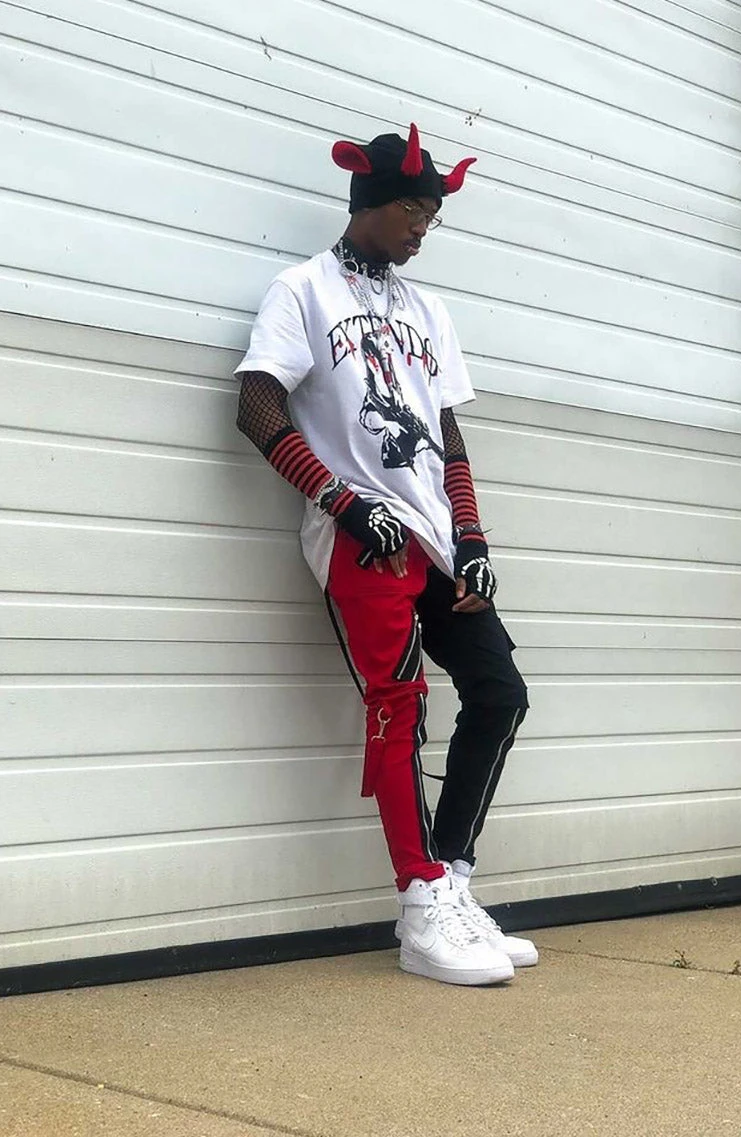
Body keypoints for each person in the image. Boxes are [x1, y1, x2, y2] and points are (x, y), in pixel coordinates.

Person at [235, 123, 537, 986]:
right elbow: (256, 405)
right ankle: (419, 905)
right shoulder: (302, 291)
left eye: (432, 216)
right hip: (363, 538)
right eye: (413, 210)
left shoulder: (427, 310)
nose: (422, 229)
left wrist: (471, 535)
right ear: (370, 201)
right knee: (398, 705)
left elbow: (448, 435)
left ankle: (451, 880)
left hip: (434, 537)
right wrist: (338, 499)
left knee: (500, 692)